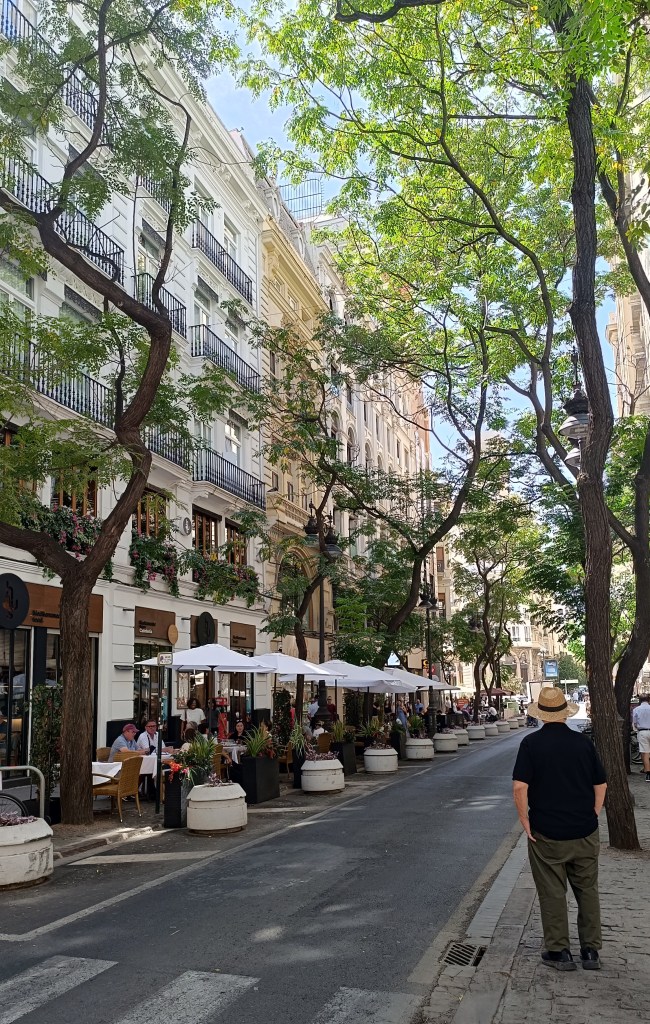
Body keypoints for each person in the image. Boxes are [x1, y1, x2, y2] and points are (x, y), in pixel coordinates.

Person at [512, 685, 607, 972]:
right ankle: (590, 952)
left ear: (541, 714)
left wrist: (525, 820)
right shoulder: (583, 744)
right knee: (587, 889)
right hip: (584, 830)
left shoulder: (531, 744)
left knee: (552, 892)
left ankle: (559, 952)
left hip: (546, 832)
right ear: (565, 712)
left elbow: (520, 787)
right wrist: (594, 811)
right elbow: (600, 784)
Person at [632, 693, 650, 781]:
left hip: (642, 732)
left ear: (640, 700)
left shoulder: (636, 709)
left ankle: (648, 773)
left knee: (645, 753)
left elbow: (634, 722)